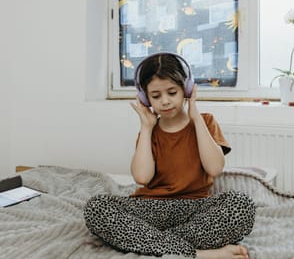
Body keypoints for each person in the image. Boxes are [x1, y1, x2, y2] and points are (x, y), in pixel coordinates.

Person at [84, 52, 255, 259]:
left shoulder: (206, 122)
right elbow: (142, 178)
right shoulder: (150, 131)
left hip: (195, 207)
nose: (165, 101)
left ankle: (153, 243)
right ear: (146, 99)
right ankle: (198, 254)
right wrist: (146, 128)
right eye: (156, 96)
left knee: (241, 205)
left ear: (187, 90)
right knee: (96, 208)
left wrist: (195, 116)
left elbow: (215, 168)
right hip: (151, 208)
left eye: (172, 93)